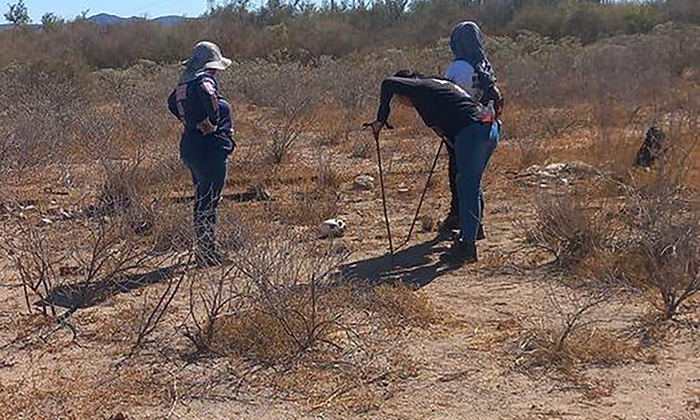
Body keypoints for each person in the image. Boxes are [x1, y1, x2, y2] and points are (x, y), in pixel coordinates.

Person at [365, 71, 499, 266]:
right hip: (488, 128)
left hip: (473, 132)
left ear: (405, 90)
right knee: (470, 184)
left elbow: (387, 83)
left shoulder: (421, 88)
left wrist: (380, 120)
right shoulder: (439, 87)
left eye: (399, 100)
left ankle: (467, 248)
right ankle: (474, 230)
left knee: (467, 187)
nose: (401, 103)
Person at [168, 41, 235, 267]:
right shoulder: (204, 81)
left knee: (203, 198)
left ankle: (205, 249)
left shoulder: (183, 84)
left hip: (191, 146)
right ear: (211, 65)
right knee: (209, 201)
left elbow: (172, 104)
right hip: (209, 148)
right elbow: (210, 97)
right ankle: (207, 253)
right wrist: (213, 123)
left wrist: (190, 122)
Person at [441, 21, 504, 239]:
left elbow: (449, 98)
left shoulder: (458, 67)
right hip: (487, 126)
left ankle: (462, 223)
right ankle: (475, 224)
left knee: (460, 177)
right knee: (473, 179)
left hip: (463, 128)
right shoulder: (484, 64)